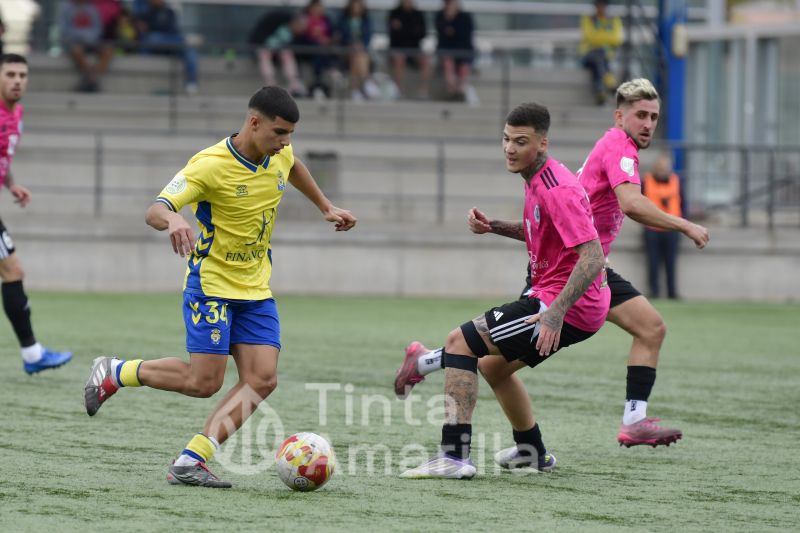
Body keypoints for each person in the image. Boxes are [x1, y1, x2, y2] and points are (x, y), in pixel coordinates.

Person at [397, 79, 709, 456]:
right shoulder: (617, 147)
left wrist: (496, 228)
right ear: (619, 117)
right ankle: (517, 439)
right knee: (490, 361)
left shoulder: (566, 170)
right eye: (640, 115)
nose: (648, 124)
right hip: (572, 271)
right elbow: (630, 204)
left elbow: (559, 231)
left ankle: (619, 424)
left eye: (654, 117)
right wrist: (686, 225)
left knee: (651, 328)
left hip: (584, 268)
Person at [83, 86, 357, 488]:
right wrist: (174, 219)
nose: (286, 143)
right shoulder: (209, 165)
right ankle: (116, 371)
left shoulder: (279, 154)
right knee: (204, 383)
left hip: (255, 289)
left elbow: (294, 166)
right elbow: (155, 209)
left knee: (263, 379)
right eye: (280, 132)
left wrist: (325, 206)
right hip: (211, 286)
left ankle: (190, 460)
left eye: (290, 135)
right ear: (254, 122)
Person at [400, 102, 609, 479]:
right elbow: (542, 230)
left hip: (566, 305)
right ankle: (532, 451)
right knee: (492, 368)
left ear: (542, 143)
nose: (510, 148)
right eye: (506, 139)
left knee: (459, 342)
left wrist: (554, 313)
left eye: (521, 141)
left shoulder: (557, 187)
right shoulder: (538, 178)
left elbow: (593, 256)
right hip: (561, 300)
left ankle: (454, 456)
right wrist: (494, 226)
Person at [0, 54, 73, 374]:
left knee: (12, 271)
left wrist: (11, 184)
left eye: (22, 75)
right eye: (10, 74)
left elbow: (3, 157)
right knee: (13, 271)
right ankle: (32, 355)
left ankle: (32, 355)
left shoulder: (17, 114)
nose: (17, 80)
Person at [642, 153, 684, 299]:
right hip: (652, 229)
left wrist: (682, 224)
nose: (662, 170)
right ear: (655, 168)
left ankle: (672, 292)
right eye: (660, 167)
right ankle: (654, 292)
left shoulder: (676, 181)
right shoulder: (646, 181)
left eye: (665, 167)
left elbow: (683, 203)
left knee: (671, 262)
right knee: (653, 262)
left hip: (672, 229)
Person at [136, 0, 199, 94]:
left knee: (190, 50)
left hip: (172, 41)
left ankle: (191, 83)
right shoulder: (145, 14)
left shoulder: (170, 12)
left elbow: (170, 28)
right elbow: (145, 32)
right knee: (153, 38)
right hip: (158, 43)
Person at [247, 9, 309, 98]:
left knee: (287, 54)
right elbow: (260, 40)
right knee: (264, 54)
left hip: (281, 54)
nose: (299, 29)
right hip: (266, 50)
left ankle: (294, 84)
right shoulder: (276, 23)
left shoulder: (295, 36)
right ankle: (270, 84)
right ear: (294, 22)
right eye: (299, 26)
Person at [60, 0, 114, 92]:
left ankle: (89, 79)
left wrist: (88, 37)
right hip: (75, 42)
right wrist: (81, 36)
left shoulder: (92, 8)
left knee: (108, 50)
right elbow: (64, 30)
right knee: (77, 50)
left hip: (92, 42)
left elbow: (98, 29)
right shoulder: (66, 8)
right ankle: (92, 80)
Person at [580, 0, 623, 105]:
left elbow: (617, 38)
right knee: (599, 55)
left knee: (598, 61)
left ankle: (600, 92)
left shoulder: (614, 20)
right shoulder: (588, 19)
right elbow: (590, 36)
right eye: (599, 5)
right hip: (589, 55)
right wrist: (606, 39)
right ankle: (610, 81)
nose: (601, 8)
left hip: (604, 57)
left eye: (603, 5)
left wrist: (598, 37)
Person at [435, 0, 477, 105]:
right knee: (448, 64)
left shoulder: (465, 17)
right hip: (447, 51)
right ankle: (452, 91)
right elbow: (442, 35)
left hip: (464, 51)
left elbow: (465, 35)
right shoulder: (441, 17)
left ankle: (460, 92)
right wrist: (448, 20)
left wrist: (452, 31)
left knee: (463, 68)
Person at [334, 0, 378, 101]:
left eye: (358, 7)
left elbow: (368, 36)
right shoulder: (343, 19)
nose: (356, 9)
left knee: (358, 57)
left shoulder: (366, 20)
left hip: (361, 51)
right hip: (346, 50)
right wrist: (351, 43)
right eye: (354, 7)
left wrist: (360, 44)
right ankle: (367, 82)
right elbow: (341, 35)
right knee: (357, 55)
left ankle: (355, 90)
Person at [388, 0, 431, 99]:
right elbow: (393, 34)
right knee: (399, 59)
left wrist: (403, 28)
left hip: (414, 49)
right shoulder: (395, 13)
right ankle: (399, 92)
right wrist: (411, 30)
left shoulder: (418, 14)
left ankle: (423, 92)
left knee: (426, 60)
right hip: (398, 48)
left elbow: (423, 33)